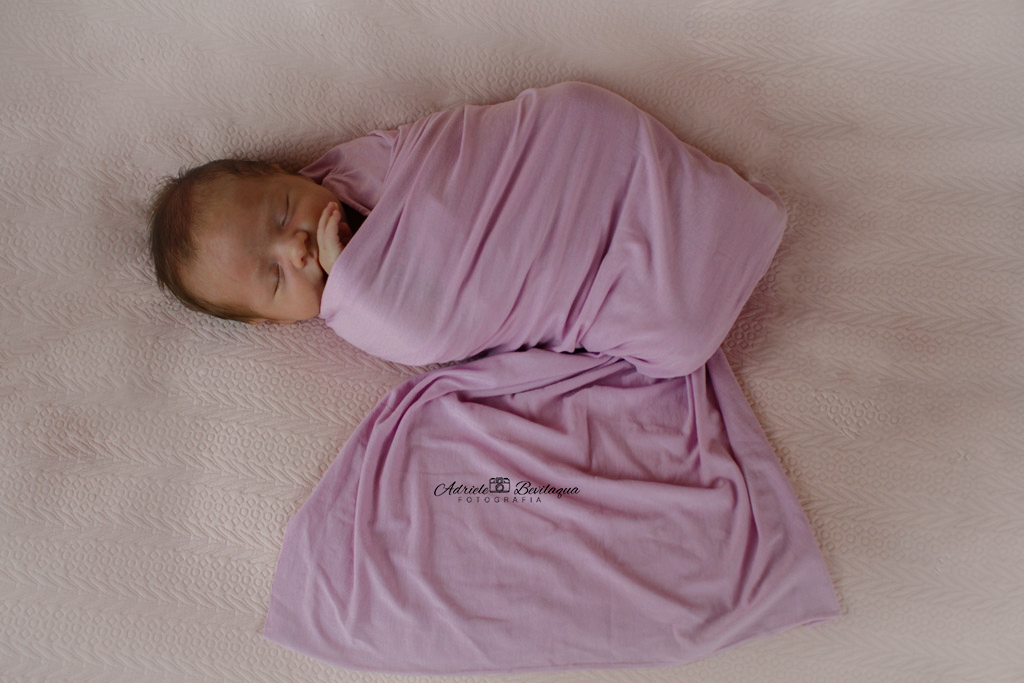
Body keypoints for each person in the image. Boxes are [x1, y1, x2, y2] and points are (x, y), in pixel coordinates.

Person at [149, 81, 787, 378]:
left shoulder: (352, 167)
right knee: (676, 331)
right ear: (274, 322)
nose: (293, 246)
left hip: (564, 154)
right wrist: (357, 278)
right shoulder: (358, 313)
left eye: (282, 210)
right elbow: (432, 329)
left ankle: (709, 212)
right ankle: (725, 235)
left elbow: (454, 155)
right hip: (569, 273)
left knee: (582, 114)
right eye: (273, 277)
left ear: (286, 172)